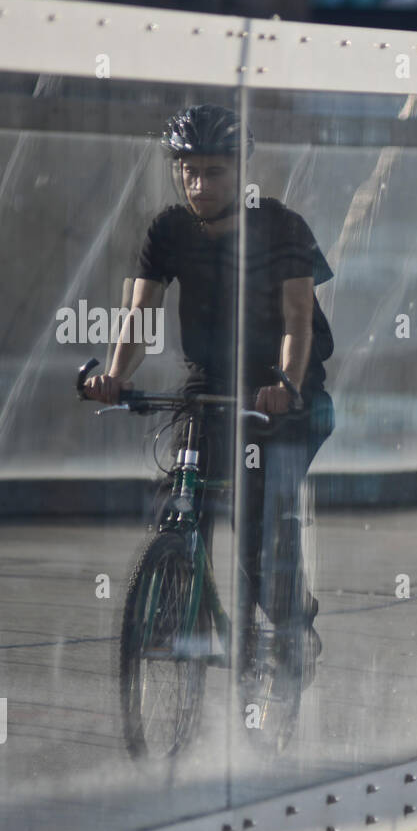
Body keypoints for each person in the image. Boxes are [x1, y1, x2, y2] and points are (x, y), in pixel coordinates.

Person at [82, 103, 335, 664]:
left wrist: (288, 387)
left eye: (213, 172)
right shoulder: (167, 230)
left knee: (260, 529)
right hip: (212, 383)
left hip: (288, 393)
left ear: (241, 168)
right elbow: (139, 315)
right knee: (181, 493)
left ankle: (292, 624)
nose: (198, 184)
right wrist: (116, 377)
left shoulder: (281, 226)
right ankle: (174, 615)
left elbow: (299, 319)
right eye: (187, 170)